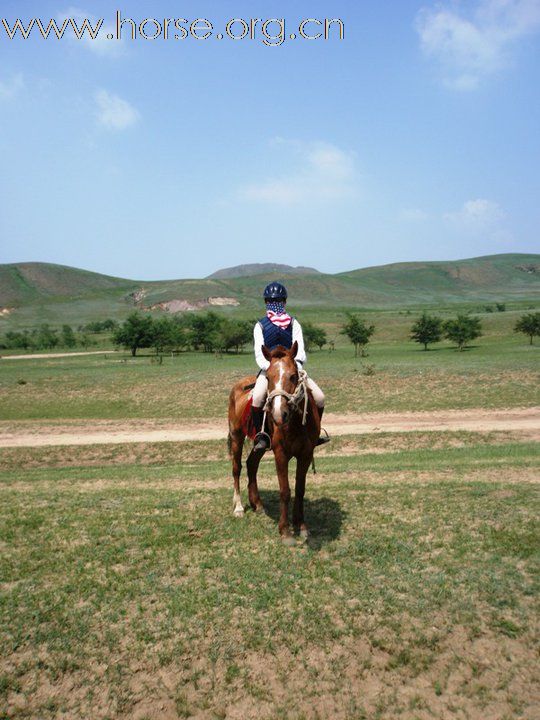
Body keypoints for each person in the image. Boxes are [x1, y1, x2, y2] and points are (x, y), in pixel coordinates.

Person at [251, 281, 329, 452]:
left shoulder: (294, 324)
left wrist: (294, 368)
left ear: (285, 302)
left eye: (278, 301)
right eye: (272, 301)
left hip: (293, 371)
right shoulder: (260, 326)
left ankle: (314, 433)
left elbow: (300, 351)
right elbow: (259, 353)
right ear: (266, 303)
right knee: (257, 398)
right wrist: (271, 369)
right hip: (269, 372)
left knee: (320, 397)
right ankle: (262, 436)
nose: (275, 304)